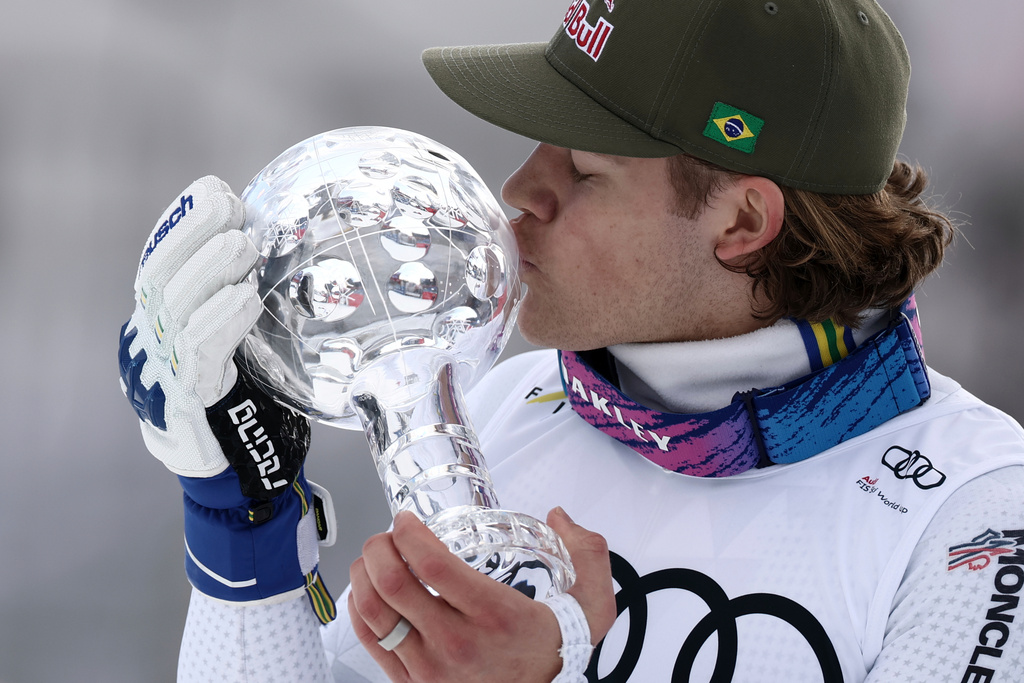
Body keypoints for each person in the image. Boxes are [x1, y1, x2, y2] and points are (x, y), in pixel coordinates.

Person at [119, 1, 1024, 681]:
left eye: (583, 171)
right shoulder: (503, 409)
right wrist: (243, 531)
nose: (519, 190)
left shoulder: (978, 514)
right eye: (536, 146)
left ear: (743, 218)